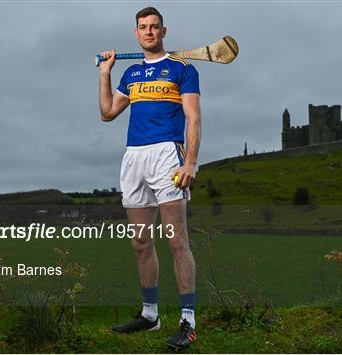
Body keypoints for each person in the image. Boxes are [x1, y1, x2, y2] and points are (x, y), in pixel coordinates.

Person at [98, 6, 200, 350]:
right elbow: (108, 113)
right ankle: (150, 314)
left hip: (166, 157)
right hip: (134, 157)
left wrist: (190, 162)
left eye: (154, 27)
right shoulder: (131, 73)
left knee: (176, 240)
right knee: (140, 242)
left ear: (164, 31)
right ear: (137, 33)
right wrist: (105, 73)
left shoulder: (183, 69)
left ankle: (188, 321)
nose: (149, 32)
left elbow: (193, 119)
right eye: (143, 27)